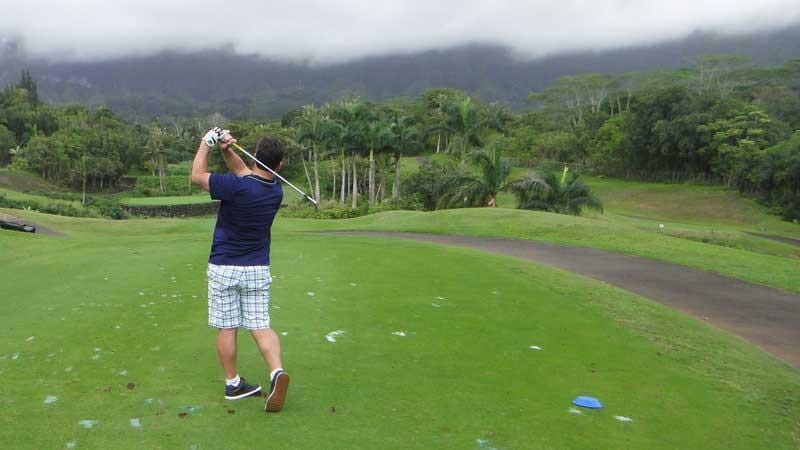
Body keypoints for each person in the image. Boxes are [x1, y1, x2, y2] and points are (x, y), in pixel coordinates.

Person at [190, 127, 289, 412]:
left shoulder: (236, 187)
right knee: (260, 324)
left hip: (224, 267)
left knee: (227, 326)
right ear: (279, 166)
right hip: (257, 268)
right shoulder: (275, 191)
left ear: (256, 156)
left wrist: (206, 143)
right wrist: (227, 149)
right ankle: (276, 372)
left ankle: (233, 383)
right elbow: (246, 172)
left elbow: (197, 176)